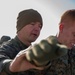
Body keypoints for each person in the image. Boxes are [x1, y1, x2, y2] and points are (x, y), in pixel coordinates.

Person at [0, 9, 44, 75]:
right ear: (21, 26)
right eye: (32, 24)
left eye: (39, 26)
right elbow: (1, 60)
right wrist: (11, 66)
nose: (37, 29)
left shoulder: (35, 53)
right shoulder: (8, 46)